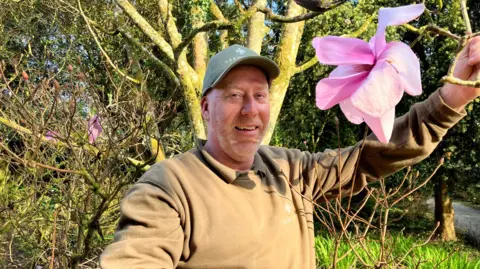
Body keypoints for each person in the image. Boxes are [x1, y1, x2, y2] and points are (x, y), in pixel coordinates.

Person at [100, 38, 480, 268]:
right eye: (234, 95)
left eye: (259, 95)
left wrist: (454, 94)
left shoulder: (288, 168)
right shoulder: (167, 188)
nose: (250, 109)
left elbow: (373, 156)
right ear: (204, 107)